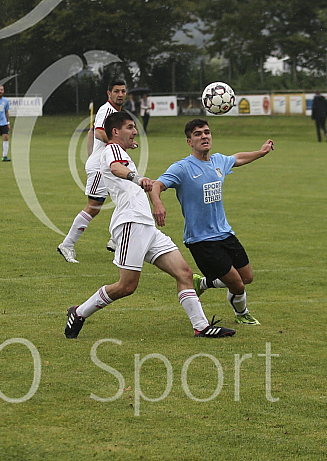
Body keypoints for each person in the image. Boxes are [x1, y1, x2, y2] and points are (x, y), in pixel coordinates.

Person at [64, 112, 235, 339]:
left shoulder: (120, 151)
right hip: (130, 223)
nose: (135, 131)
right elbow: (117, 168)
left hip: (146, 226)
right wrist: (137, 178)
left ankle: (201, 327)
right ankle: (79, 312)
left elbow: (119, 165)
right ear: (116, 132)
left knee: (184, 273)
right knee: (126, 286)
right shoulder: (112, 150)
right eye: (130, 127)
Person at [149, 118, 274, 326]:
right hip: (201, 239)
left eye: (206, 132)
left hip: (225, 233)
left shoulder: (217, 161)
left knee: (247, 277)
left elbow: (237, 158)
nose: (204, 136)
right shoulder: (182, 168)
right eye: (198, 134)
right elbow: (156, 185)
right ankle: (242, 313)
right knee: (237, 286)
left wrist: (261, 153)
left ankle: (203, 283)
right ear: (190, 142)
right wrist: (157, 204)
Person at [57, 78, 127, 263]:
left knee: (126, 197)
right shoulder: (107, 110)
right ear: (109, 93)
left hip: (108, 165)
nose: (120, 94)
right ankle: (67, 245)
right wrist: (116, 145)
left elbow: (90, 132)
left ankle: (115, 240)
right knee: (93, 207)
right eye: (116, 91)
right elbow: (97, 132)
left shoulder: (116, 113)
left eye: (123, 91)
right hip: (101, 167)